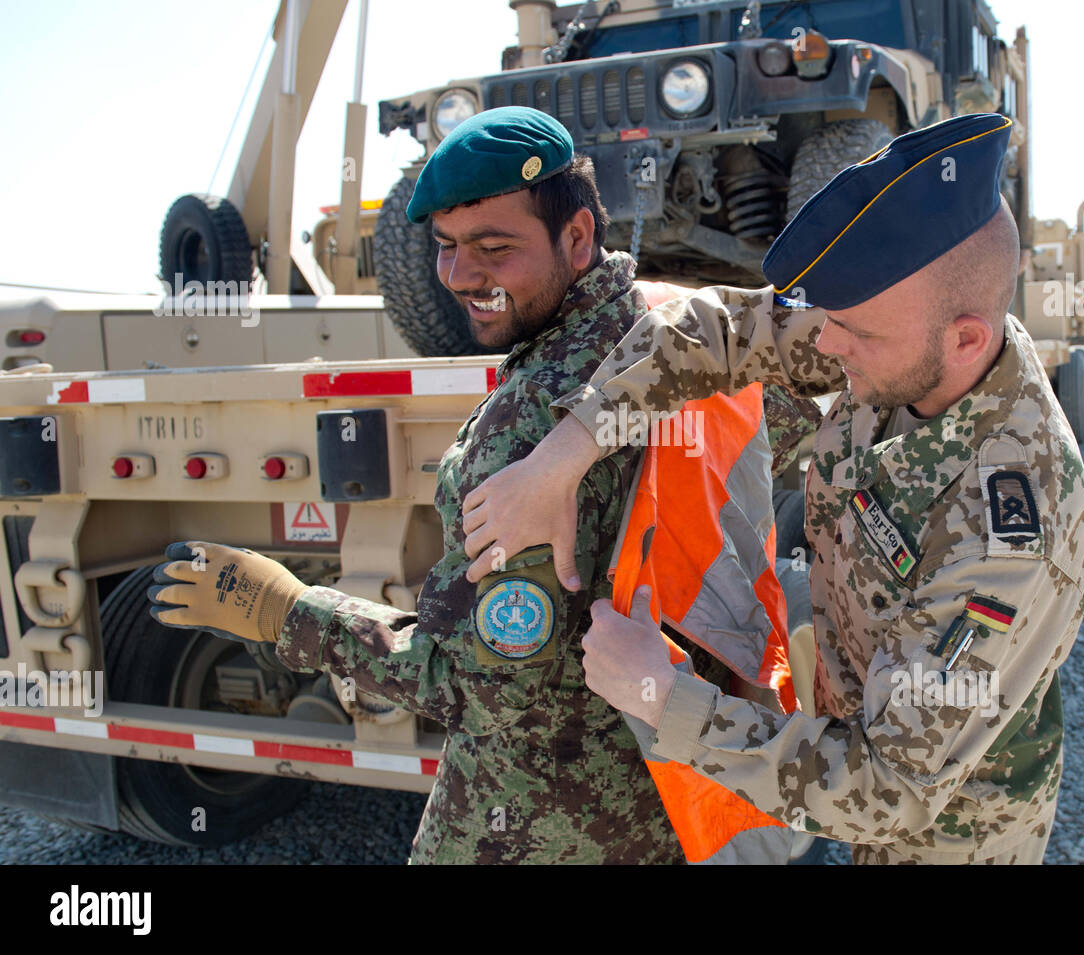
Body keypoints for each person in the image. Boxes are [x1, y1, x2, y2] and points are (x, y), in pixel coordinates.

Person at [146, 107, 817, 864]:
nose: (463, 276)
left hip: (547, 822)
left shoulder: (523, 428)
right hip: (673, 798)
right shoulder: (677, 327)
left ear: (577, 236)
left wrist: (286, 610)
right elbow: (783, 430)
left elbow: (473, 688)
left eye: (495, 248)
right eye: (446, 247)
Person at [462, 113, 1084, 865]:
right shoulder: (905, 331)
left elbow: (890, 784)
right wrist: (562, 457)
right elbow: (710, 329)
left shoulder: (1012, 532)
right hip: (856, 727)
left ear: (966, 339)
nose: (826, 348)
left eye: (854, 336)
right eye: (830, 323)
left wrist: (659, 697)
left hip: (946, 836)